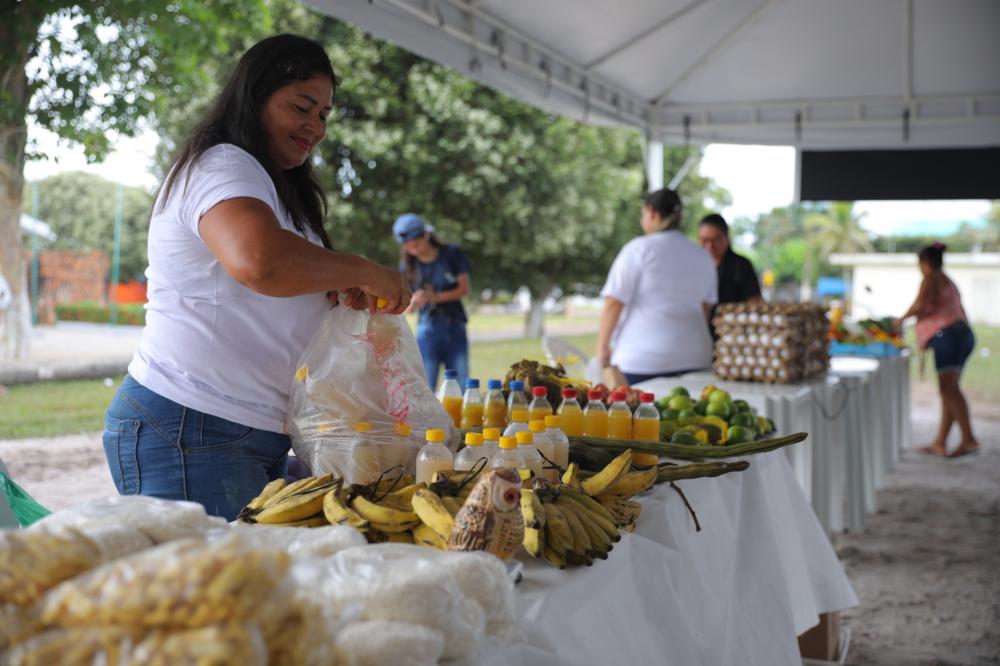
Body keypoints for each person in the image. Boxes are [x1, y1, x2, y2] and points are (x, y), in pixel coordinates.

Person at [102, 35, 411, 521]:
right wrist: (363, 270)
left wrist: (333, 287)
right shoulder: (221, 164)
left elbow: (282, 270)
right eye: (302, 108)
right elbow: (259, 261)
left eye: (324, 115)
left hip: (239, 430)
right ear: (255, 97)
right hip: (193, 426)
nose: (316, 127)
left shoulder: (272, 185)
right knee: (220, 573)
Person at [597, 188, 717, 386]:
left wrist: (602, 349)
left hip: (642, 361)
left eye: (643, 214)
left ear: (652, 212)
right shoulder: (703, 256)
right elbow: (705, 309)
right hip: (696, 359)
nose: (642, 220)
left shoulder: (638, 249)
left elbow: (613, 302)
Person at [896, 243, 978, 458]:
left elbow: (920, 305)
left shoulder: (931, 278)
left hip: (948, 336)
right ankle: (940, 442)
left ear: (925, 263)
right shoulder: (947, 280)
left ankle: (969, 439)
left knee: (949, 389)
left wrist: (900, 320)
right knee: (948, 389)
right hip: (961, 335)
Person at [395, 213, 471, 389]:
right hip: (427, 329)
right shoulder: (407, 266)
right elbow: (407, 308)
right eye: (409, 248)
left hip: (455, 325)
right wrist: (414, 302)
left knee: (460, 384)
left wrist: (435, 297)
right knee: (425, 386)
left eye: (417, 245)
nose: (415, 251)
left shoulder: (451, 254)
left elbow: (464, 289)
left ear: (426, 235)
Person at [699, 213, 761, 337]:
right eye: (705, 240)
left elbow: (755, 303)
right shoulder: (696, 266)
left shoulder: (741, 265)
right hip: (700, 336)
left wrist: (732, 319)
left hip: (734, 336)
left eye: (715, 240)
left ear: (726, 237)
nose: (710, 246)